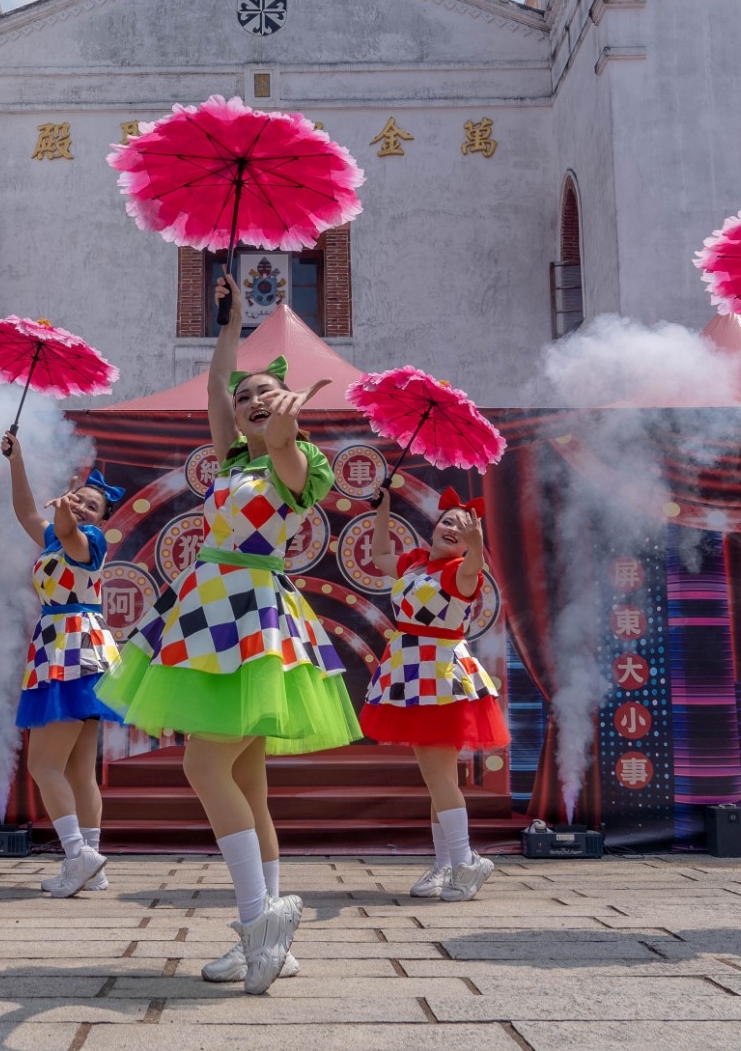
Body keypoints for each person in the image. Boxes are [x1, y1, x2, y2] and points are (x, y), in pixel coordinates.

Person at [101, 273, 361, 994]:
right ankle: (264, 942)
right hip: (207, 608)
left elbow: (284, 439)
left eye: (259, 394)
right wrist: (229, 323)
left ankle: (258, 920)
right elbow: (218, 382)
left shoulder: (294, 461)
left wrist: (289, 413)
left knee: (203, 767)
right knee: (246, 778)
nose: (246, 400)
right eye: (242, 397)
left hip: (248, 610)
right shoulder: (231, 460)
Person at [357, 486, 508, 902]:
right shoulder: (416, 563)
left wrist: (476, 545)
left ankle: (465, 862)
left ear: (471, 538)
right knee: (438, 778)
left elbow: (475, 565)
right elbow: (380, 556)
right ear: (434, 526)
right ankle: (446, 865)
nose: (451, 528)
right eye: (446, 521)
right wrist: (384, 511)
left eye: (462, 526)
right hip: (409, 670)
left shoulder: (462, 570)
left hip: (440, 676)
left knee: (438, 776)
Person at [3, 428, 123, 898]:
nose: (82, 506)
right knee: (76, 770)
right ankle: (93, 865)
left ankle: (78, 857)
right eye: (79, 498)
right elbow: (24, 512)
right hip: (66, 646)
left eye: (92, 505)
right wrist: (18, 458)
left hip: (70, 650)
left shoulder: (87, 540)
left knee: (44, 765)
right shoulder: (56, 538)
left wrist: (68, 513)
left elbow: (66, 528)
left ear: (101, 519)